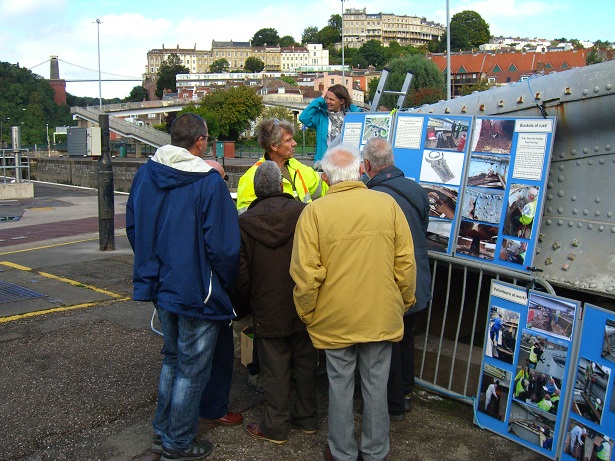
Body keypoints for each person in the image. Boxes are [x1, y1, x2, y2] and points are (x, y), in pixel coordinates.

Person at [290, 144, 417, 461]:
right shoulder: (387, 205)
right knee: (376, 384)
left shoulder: (314, 213)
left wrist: (307, 313)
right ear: (360, 170)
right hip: (380, 312)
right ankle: (375, 451)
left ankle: (342, 450)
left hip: (334, 316)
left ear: (325, 177)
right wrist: (402, 302)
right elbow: (405, 264)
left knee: (340, 384)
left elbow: (306, 275)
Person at [126, 113, 240, 461]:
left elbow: (134, 225)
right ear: (201, 142)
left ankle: (163, 432)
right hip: (197, 290)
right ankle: (178, 442)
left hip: (162, 284)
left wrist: (153, 264)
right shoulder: (208, 182)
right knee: (192, 369)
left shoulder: (146, 173)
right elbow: (223, 246)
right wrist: (226, 284)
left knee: (172, 360)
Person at [236, 161, 318, 444]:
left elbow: (241, 273)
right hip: (302, 300)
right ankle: (307, 418)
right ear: (282, 185)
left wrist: (250, 300)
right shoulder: (303, 211)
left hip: (267, 305)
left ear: (257, 190)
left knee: (274, 368)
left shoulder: (245, 221)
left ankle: (275, 426)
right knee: (306, 362)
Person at [362, 137, 431, 419]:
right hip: (419, 279)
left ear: (367, 165)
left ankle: (393, 403)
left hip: (390, 282)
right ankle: (405, 390)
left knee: (386, 343)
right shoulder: (417, 190)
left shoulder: (371, 197)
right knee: (406, 337)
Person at [198, 160, 243, 433]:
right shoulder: (215, 199)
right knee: (218, 351)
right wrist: (229, 283)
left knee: (179, 355)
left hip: (174, 287)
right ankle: (213, 408)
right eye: (223, 179)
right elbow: (224, 250)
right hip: (210, 289)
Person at [236, 118, 327, 214]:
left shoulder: (295, 165)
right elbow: (249, 219)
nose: (294, 143)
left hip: (303, 227)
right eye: (288, 140)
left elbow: (323, 185)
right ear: (274, 146)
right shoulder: (251, 177)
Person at [299, 84, 360, 169]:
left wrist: (349, 105)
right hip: (324, 164)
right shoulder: (321, 116)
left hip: (346, 164)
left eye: (331, 99)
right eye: (327, 98)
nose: (328, 101)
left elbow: (358, 113)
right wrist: (319, 100)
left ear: (342, 101)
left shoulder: (352, 116)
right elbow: (304, 117)